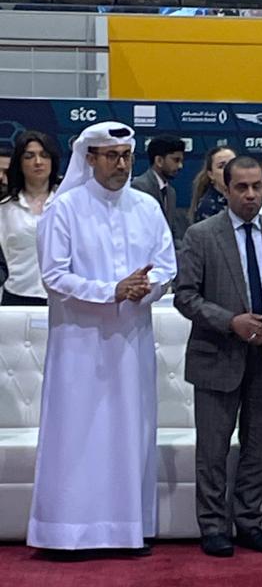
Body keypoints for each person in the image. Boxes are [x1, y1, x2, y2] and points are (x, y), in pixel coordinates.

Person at [27, 122, 176, 554]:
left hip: (131, 341)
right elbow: (54, 277)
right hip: (79, 345)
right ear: (89, 158)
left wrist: (146, 289)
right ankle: (67, 532)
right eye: (112, 156)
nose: (121, 165)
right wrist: (111, 291)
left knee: (129, 431)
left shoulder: (147, 207)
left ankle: (127, 529)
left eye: (127, 155)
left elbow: (167, 265)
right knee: (77, 435)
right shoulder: (64, 209)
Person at [174, 156, 262, 557]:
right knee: (213, 449)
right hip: (217, 354)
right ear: (225, 189)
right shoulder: (201, 235)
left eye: (257, 187)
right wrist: (230, 322)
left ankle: (249, 522)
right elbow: (185, 296)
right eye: (241, 187)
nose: (250, 195)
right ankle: (213, 526)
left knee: (257, 447)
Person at [0, 131, 61, 306]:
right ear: (19, 163)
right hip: (16, 296)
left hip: (62, 298)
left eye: (44, 155)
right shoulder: (5, 208)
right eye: (29, 156)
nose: (38, 162)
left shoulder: (68, 205)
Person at [132, 136, 186, 244]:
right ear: (159, 161)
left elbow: (171, 231)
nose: (180, 166)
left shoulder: (171, 192)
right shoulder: (139, 188)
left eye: (181, 161)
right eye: (176, 160)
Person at [190, 144, 236, 223]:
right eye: (221, 166)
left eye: (233, 164)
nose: (229, 170)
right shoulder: (208, 207)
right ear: (211, 174)